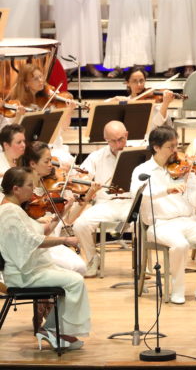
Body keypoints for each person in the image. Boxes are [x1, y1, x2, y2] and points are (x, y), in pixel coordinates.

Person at [130, 126, 196, 304]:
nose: (176, 151)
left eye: (177, 145)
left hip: (188, 222)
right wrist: (166, 190)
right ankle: (177, 289)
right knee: (180, 244)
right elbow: (136, 194)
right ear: (156, 148)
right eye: (171, 147)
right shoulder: (143, 170)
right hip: (160, 225)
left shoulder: (184, 168)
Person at [0, 167, 90, 351]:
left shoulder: (15, 210)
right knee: (75, 281)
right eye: (29, 185)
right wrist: (65, 239)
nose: (33, 189)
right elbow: (34, 241)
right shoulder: (9, 211)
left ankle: (52, 329)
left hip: (30, 271)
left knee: (73, 278)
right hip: (22, 276)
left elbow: (42, 230)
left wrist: (63, 212)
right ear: (16, 188)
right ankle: (52, 330)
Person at [20, 141, 91, 277]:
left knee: (80, 267)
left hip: (53, 242)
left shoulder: (49, 185)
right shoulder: (23, 190)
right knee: (73, 270)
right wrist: (38, 221)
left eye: (51, 160)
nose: (51, 165)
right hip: (35, 246)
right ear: (33, 164)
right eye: (46, 161)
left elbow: (68, 220)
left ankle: (53, 297)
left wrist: (84, 197)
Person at [72, 120, 132, 276]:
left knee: (145, 219)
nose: (119, 144)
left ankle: (141, 262)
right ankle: (93, 259)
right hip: (106, 204)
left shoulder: (136, 154)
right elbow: (81, 177)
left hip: (130, 202)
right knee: (79, 225)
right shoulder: (96, 157)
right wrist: (90, 185)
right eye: (113, 141)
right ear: (106, 140)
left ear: (127, 135)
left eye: (121, 139)